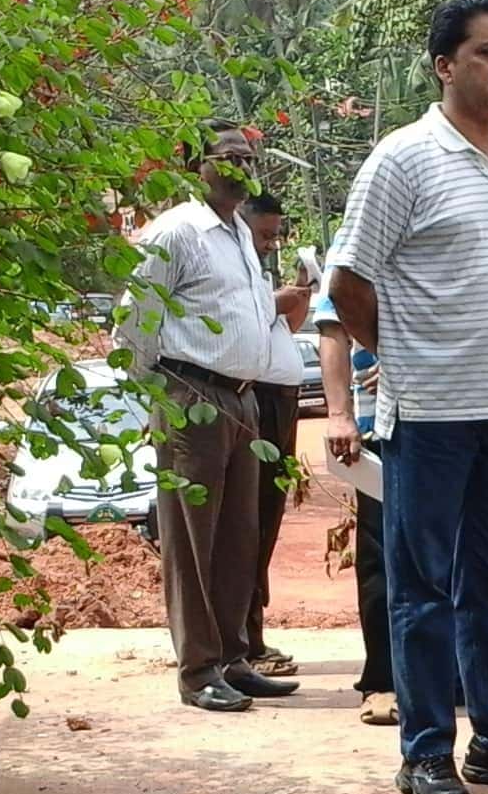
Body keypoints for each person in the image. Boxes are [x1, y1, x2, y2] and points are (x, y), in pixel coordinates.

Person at [327, 0, 488, 794]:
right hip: (430, 417)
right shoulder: (401, 160)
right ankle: (427, 750)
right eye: (486, 52)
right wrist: (406, 355)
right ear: (444, 66)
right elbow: (345, 283)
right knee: (421, 590)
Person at [116, 126, 306, 712]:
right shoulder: (176, 232)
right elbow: (133, 324)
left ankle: (232, 657)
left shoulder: (241, 238)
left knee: (237, 538)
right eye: (231, 158)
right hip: (191, 396)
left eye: (251, 158)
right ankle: (198, 671)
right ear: (197, 165)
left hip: (244, 401)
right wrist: (160, 397)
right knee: (193, 539)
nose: (245, 167)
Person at [312, 279, 398, 726]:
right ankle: (383, 680)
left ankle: (458, 676)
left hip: (456, 423)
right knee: (382, 558)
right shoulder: (357, 243)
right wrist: (339, 414)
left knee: (459, 558)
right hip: (382, 431)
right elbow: (333, 333)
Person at [239, 190, 315, 680]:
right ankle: (245, 641)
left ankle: (252, 634)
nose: (271, 244)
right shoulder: (231, 265)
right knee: (251, 520)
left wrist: (295, 297)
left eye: (276, 235)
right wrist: (274, 302)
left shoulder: (255, 268)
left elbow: (285, 325)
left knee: (268, 516)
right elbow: (237, 324)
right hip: (258, 402)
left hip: (281, 403)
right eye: (264, 234)